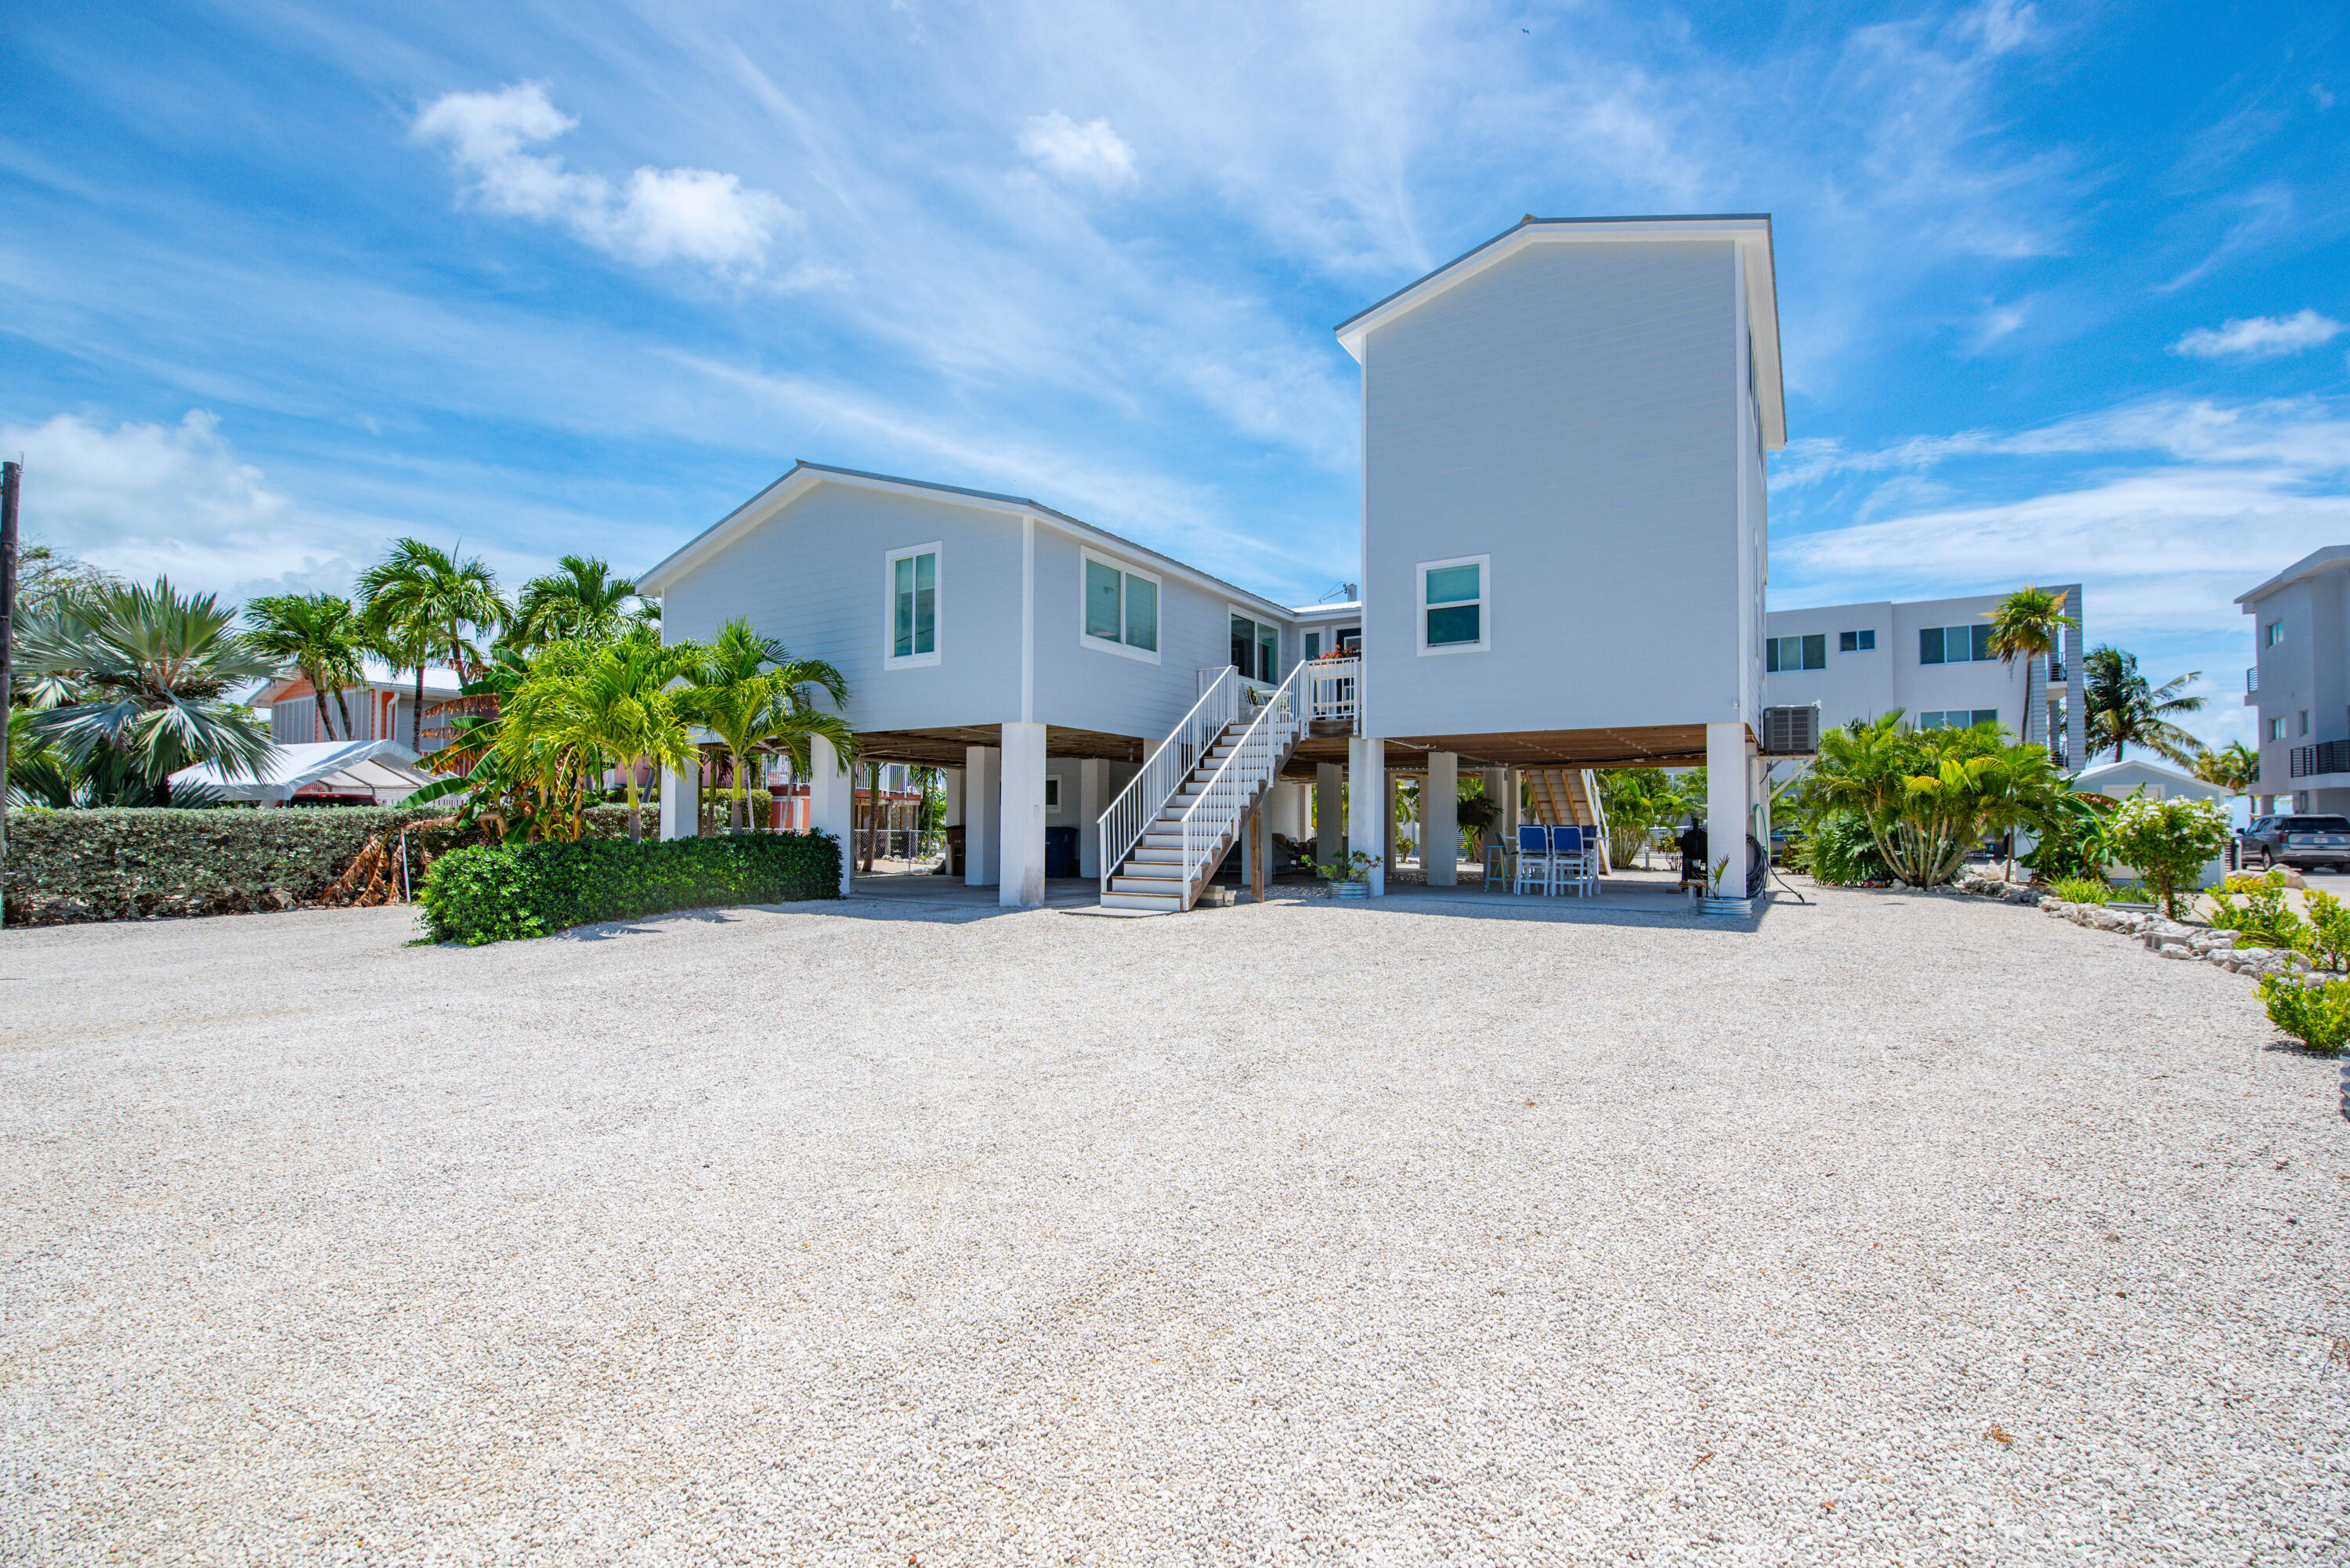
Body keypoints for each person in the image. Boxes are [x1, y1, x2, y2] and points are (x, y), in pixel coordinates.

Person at [1677, 814, 1708, 891]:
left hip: (1699, 855)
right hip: (1691, 855)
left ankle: (1689, 884)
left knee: (1688, 867)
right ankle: (1687, 883)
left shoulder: (1703, 836)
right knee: (1687, 867)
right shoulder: (1689, 837)